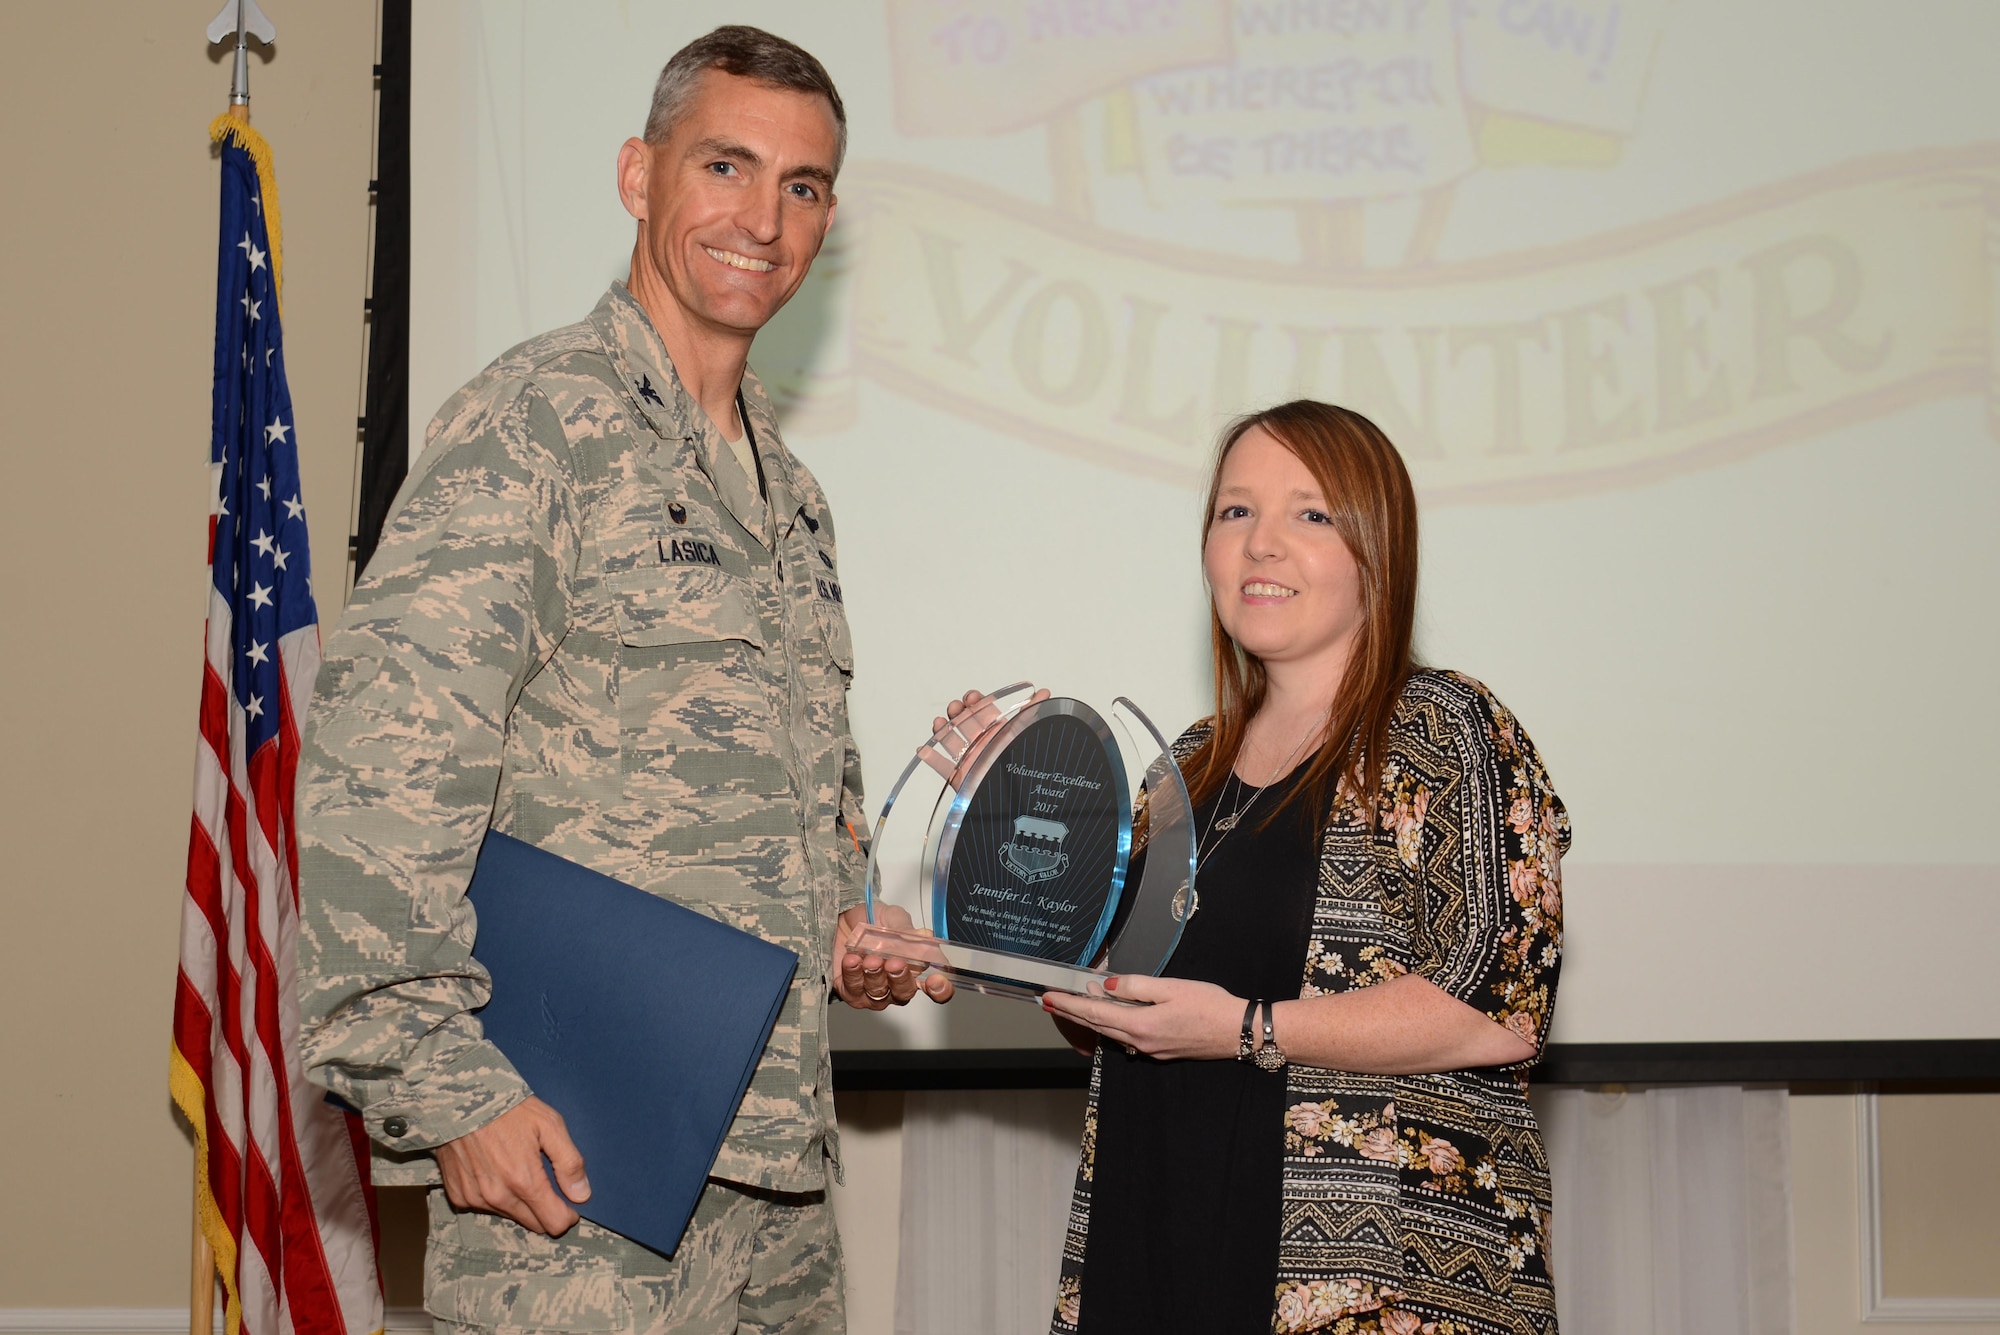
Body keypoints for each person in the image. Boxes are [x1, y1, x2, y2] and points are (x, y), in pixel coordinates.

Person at [295, 26, 945, 1335]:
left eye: (804, 185)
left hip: (775, 1176)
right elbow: (381, 774)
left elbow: (773, 822)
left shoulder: (795, 494)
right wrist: (445, 1082)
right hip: (578, 1174)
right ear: (639, 175)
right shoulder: (533, 425)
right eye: (726, 165)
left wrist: (845, 938)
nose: (763, 218)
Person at [1039, 402, 1570, 1335]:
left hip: (1368, 1282)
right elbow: (1121, 1006)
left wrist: (1244, 1028)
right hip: (1157, 1248)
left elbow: (1499, 1008)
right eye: (1235, 512)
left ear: (1378, 549)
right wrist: (999, 826)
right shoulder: (1184, 770)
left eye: (1310, 515)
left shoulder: (1445, 732)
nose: (1262, 545)